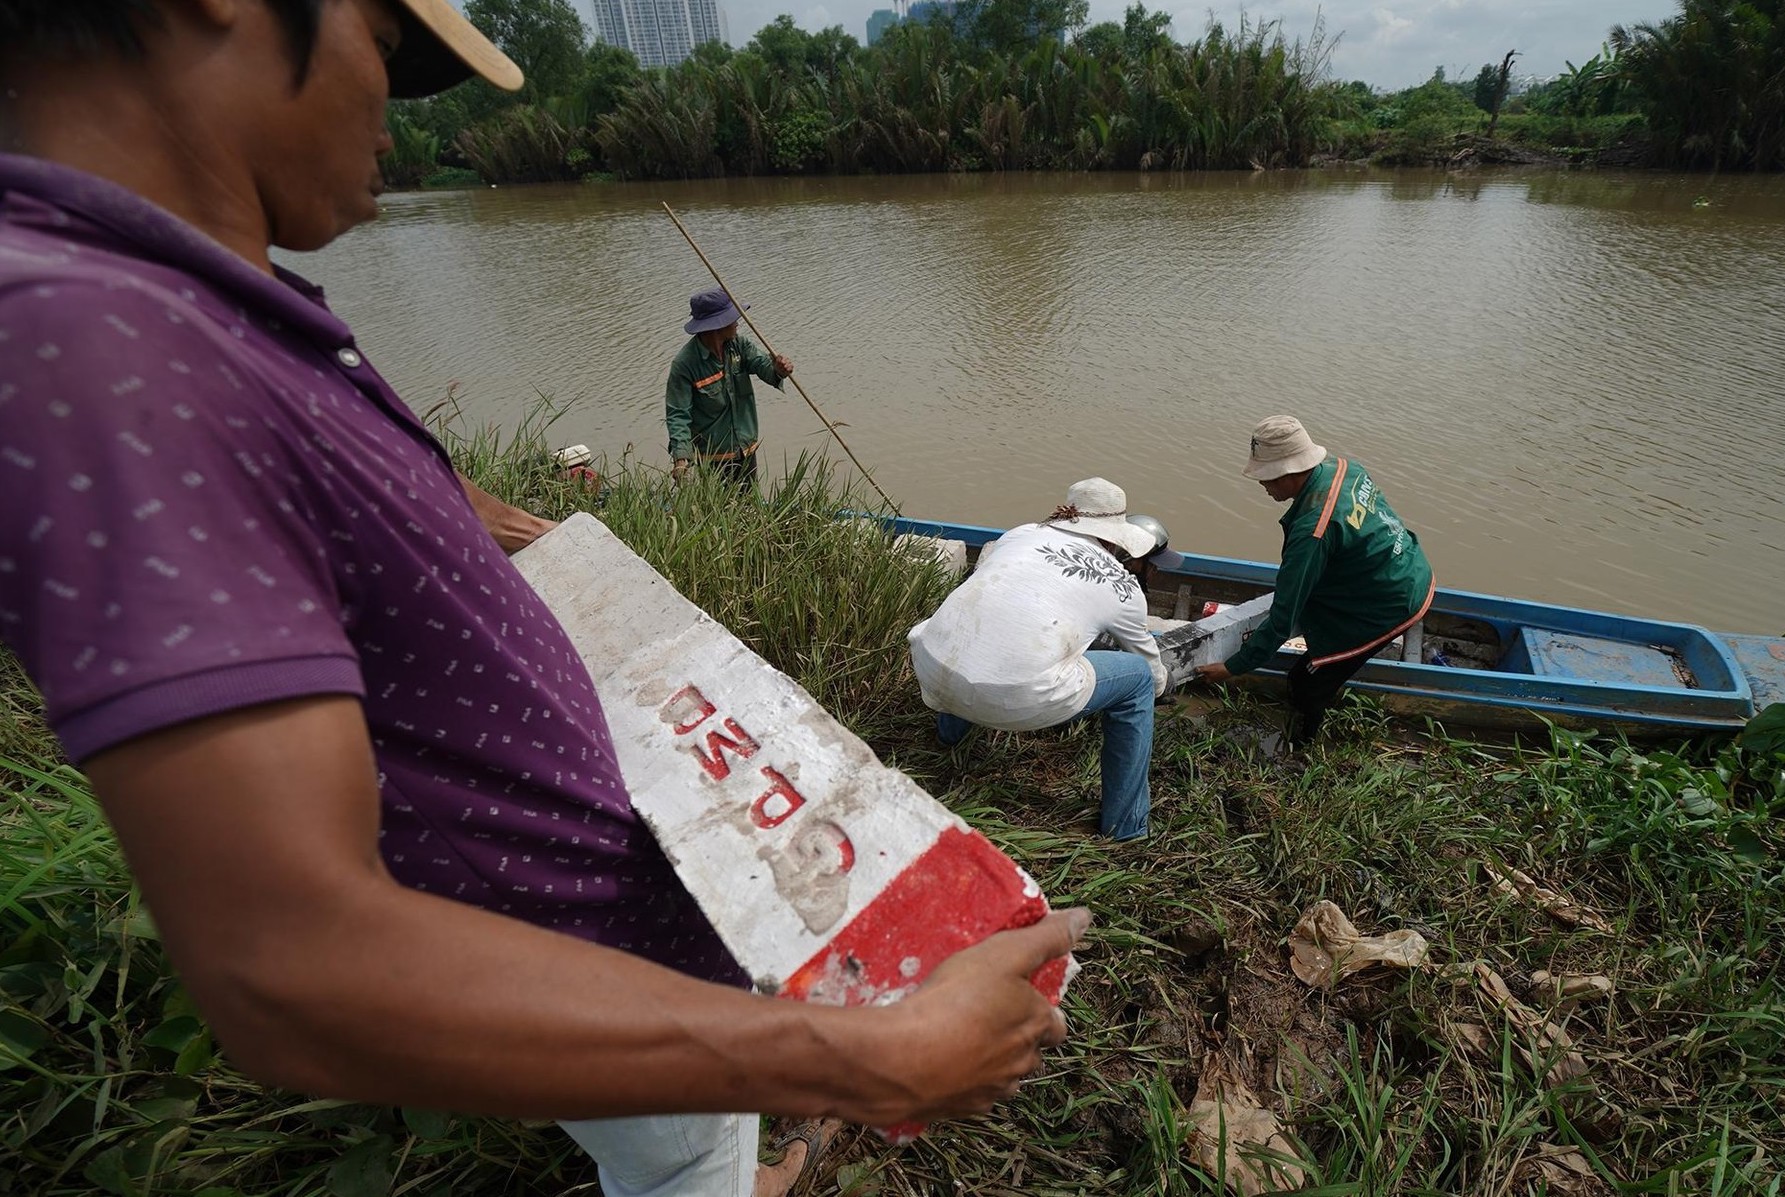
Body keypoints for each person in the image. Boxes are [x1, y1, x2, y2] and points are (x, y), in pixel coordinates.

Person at [0, 4, 1084, 1196]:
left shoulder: (212, 309)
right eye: (389, 47)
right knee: (676, 1160)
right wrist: (867, 1057)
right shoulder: (95, 342)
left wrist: (558, 541)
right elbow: (289, 964)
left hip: (630, 919)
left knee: (695, 1147)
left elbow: (374, 500)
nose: (399, 123)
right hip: (566, 963)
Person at [908, 480, 1175, 841]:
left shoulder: (1020, 534)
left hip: (930, 665)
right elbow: (1152, 673)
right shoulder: (1121, 586)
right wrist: (1161, 684)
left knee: (979, 630)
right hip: (1017, 700)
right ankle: (1127, 827)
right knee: (1140, 680)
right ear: (1117, 539)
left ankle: (947, 737)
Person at [1195, 416, 1435, 745]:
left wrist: (1233, 667)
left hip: (1389, 603)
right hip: (1408, 567)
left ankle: (1302, 749)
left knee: (1306, 683)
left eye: (1267, 478)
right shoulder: (1344, 468)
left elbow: (1283, 617)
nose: (1263, 485)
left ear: (1290, 472)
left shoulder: (1312, 531)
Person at [666, 290, 793, 490]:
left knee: (750, 505)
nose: (736, 323)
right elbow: (678, 415)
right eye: (731, 319)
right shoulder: (685, 364)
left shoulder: (739, 346)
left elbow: (763, 366)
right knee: (721, 513)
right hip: (713, 458)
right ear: (716, 326)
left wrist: (778, 370)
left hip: (745, 449)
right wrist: (681, 460)